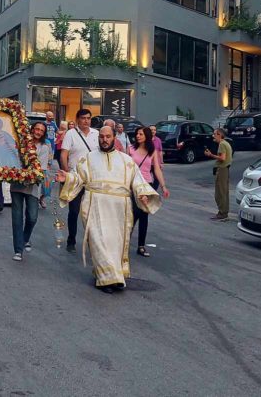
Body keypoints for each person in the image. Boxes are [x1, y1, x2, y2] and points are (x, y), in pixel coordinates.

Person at [55, 126, 161, 292]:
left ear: (114, 138)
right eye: (102, 137)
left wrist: (143, 194)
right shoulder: (88, 158)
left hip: (119, 210)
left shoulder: (126, 160)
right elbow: (78, 177)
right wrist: (67, 178)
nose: (104, 139)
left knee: (115, 243)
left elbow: (138, 180)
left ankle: (115, 276)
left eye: (108, 136)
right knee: (98, 241)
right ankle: (105, 279)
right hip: (94, 207)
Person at [60, 109, 99, 254]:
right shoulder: (71, 134)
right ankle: (71, 240)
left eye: (88, 118)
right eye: (83, 118)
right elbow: (64, 154)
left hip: (93, 179)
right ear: (77, 119)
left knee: (92, 212)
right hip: (75, 177)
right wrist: (67, 173)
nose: (86, 121)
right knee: (74, 211)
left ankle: (92, 241)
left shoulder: (96, 133)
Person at [11, 122, 51, 261]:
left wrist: (29, 174)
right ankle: (18, 250)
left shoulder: (44, 147)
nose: (38, 132)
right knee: (17, 218)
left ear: (43, 133)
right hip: (16, 184)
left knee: (32, 217)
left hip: (33, 186)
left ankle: (25, 238)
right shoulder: (20, 142)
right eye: (36, 129)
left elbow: (42, 169)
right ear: (32, 129)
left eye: (41, 130)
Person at [129, 126, 170, 257]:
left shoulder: (152, 152)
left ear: (146, 136)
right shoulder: (131, 149)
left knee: (144, 215)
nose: (138, 136)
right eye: (137, 134)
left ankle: (141, 246)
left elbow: (156, 169)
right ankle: (124, 241)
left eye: (141, 134)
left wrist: (163, 186)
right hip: (133, 185)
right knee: (133, 214)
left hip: (146, 184)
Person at [204, 128, 233, 221]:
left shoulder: (222, 144)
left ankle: (222, 213)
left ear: (219, 135)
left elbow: (222, 158)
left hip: (222, 170)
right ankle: (224, 212)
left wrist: (210, 155)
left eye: (214, 134)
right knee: (224, 192)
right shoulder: (226, 143)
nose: (213, 136)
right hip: (225, 169)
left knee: (220, 193)